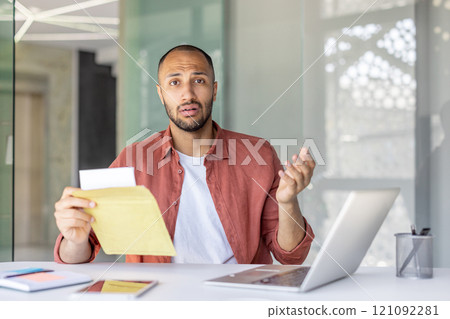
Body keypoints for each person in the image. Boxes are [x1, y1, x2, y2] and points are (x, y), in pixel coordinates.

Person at [53, 44, 315, 264]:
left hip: (238, 301)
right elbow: (79, 252)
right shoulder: (133, 160)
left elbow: (290, 256)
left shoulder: (259, 155)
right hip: (158, 302)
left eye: (198, 81)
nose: (187, 94)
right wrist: (73, 238)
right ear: (161, 94)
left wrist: (288, 202)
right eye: (175, 82)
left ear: (213, 89)